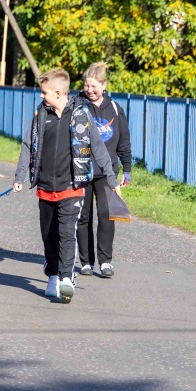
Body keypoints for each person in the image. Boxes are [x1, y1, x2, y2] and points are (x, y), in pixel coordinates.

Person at [13, 68, 120, 303]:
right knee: (49, 236)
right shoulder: (42, 115)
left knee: (67, 233)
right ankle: (53, 274)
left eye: (45, 93)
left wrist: (111, 180)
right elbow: (27, 146)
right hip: (45, 187)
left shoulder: (81, 115)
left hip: (72, 187)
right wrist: (20, 177)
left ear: (59, 92)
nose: (42, 97)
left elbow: (99, 148)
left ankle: (66, 278)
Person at [77, 62, 132, 278]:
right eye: (86, 86)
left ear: (104, 85)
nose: (89, 90)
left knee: (107, 214)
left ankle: (105, 261)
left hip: (107, 172)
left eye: (94, 87)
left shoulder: (116, 109)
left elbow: (124, 142)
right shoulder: (77, 106)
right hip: (81, 170)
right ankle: (86, 262)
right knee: (83, 216)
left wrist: (126, 169)